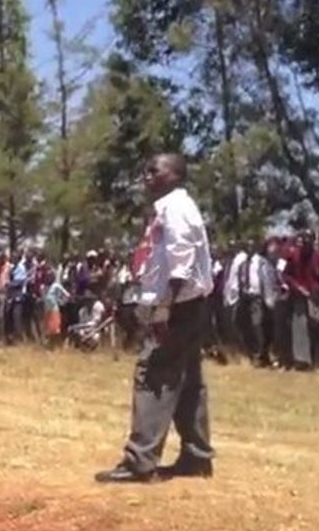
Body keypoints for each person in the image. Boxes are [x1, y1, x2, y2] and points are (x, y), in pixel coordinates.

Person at [96, 153, 215, 483]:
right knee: (189, 383)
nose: (146, 176)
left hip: (178, 306)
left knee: (153, 375)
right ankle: (197, 456)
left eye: (153, 170)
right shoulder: (171, 208)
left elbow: (181, 261)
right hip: (189, 305)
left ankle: (140, 461)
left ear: (175, 174)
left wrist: (164, 309)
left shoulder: (175, 209)